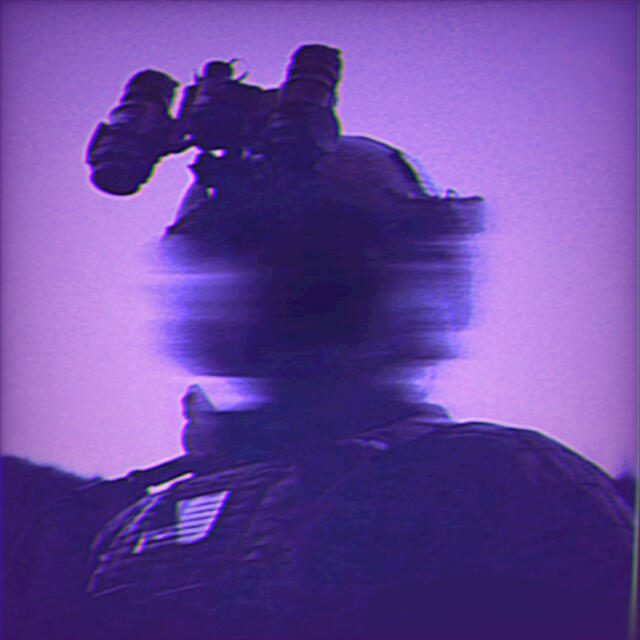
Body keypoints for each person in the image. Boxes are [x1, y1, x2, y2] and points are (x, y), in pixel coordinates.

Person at [5, 45, 633, 640]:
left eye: (314, 273)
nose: (280, 297)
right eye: (261, 268)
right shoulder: (498, 480)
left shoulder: (490, 482)